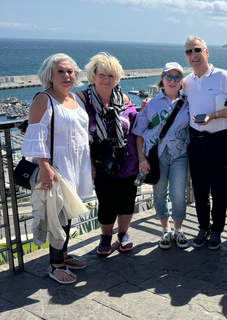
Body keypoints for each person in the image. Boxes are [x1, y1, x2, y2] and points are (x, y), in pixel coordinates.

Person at [22, 53, 92, 284]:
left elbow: (82, 134)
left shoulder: (75, 99)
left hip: (76, 163)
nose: (67, 75)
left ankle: (63, 254)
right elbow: (36, 137)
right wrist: (45, 168)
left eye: (70, 71)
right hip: (56, 167)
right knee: (57, 215)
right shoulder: (44, 99)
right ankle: (55, 265)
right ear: (49, 76)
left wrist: (88, 163)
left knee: (67, 212)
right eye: (60, 71)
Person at [183, 35, 227, 250]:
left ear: (207, 52)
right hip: (197, 142)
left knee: (219, 191)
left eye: (197, 50)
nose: (193, 55)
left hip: (220, 141)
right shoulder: (188, 81)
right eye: (189, 52)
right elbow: (171, 95)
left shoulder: (222, 76)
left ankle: (217, 230)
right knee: (200, 190)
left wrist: (214, 115)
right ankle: (203, 228)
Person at [77, 52, 138, 255]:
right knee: (106, 202)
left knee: (128, 199)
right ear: (93, 75)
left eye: (111, 75)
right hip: (101, 161)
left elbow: (136, 125)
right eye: (102, 74)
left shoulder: (125, 99)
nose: (106, 79)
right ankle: (105, 237)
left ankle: (123, 234)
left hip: (127, 159)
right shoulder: (81, 100)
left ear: (117, 78)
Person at [132, 62, 190, 249]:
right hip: (156, 155)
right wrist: (142, 158)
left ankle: (178, 229)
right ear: (162, 79)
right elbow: (139, 132)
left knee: (178, 194)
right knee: (159, 192)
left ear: (182, 81)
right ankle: (165, 231)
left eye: (177, 77)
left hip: (180, 153)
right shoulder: (151, 104)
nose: (172, 81)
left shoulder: (188, 102)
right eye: (169, 76)